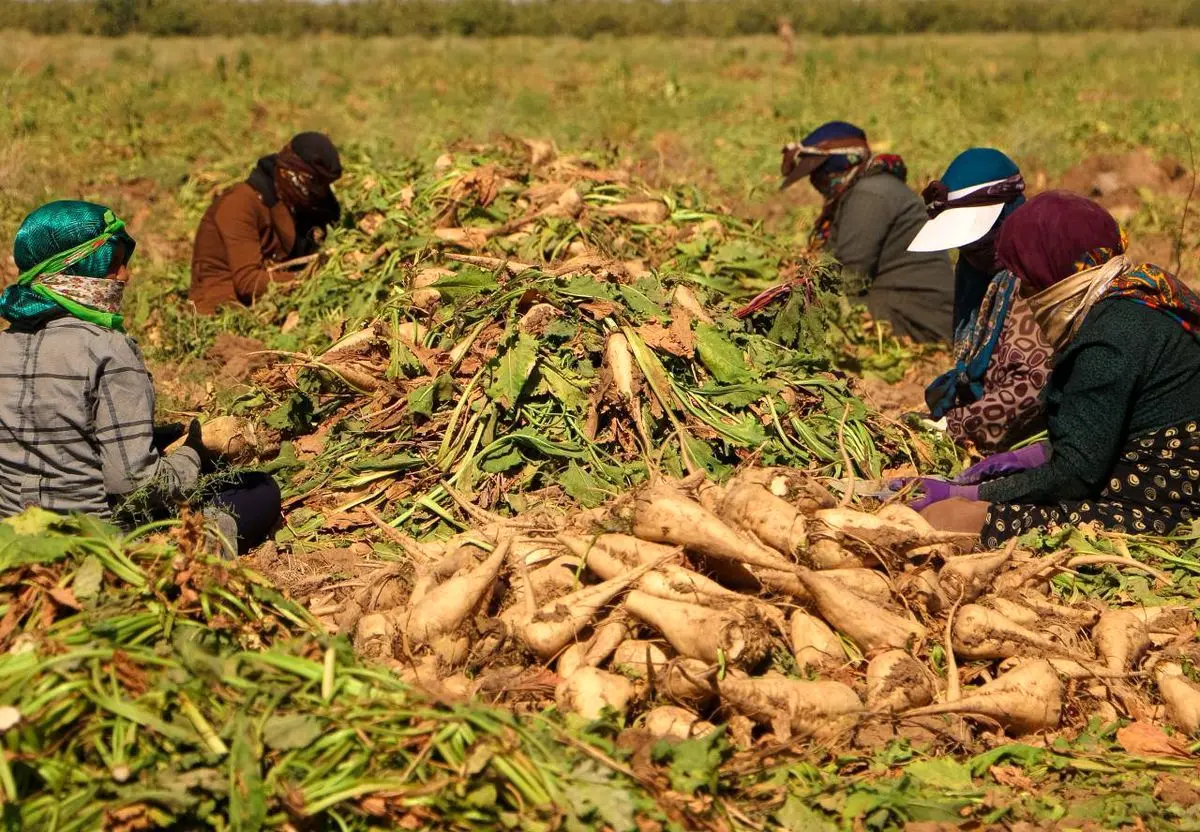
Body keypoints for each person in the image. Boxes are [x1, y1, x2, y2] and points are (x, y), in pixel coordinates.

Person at [905, 191, 1200, 546]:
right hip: (1143, 472)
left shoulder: (1110, 338)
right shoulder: (1134, 293)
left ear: (1054, 270)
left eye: (1029, 281)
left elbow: (1077, 473)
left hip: (1162, 500)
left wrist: (977, 493)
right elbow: (1097, 430)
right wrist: (1024, 458)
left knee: (947, 519)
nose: (1027, 294)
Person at [0, 200, 281, 556]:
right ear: (80, 272)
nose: (125, 276)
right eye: (114, 265)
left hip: (14, 537)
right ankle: (180, 560)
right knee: (257, 490)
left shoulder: (4, 345)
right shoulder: (108, 350)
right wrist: (194, 454)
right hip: (95, 544)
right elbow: (133, 483)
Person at [908, 148, 1052, 452]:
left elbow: (1034, 387)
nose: (974, 254)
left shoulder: (1038, 281)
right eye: (967, 247)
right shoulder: (975, 273)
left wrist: (957, 425)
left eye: (982, 242)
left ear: (1009, 218)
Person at [779, 121, 955, 342]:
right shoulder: (862, 191)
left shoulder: (869, 196)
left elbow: (849, 277)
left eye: (820, 172)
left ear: (841, 164)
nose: (816, 181)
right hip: (895, 301)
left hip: (916, 315)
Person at [190, 131, 342, 314]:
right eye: (315, 184)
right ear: (289, 173)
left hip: (272, 302)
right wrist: (312, 277)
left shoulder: (297, 203)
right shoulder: (240, 204)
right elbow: (248, 281)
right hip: (223, 307)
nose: (320, 193)